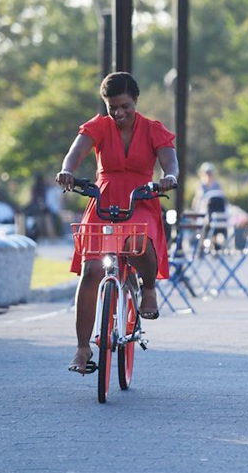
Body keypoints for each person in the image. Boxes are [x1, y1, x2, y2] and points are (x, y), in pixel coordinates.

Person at [55, 72, 178, 374]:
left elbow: (170, 161)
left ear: (136, 100)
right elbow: (75, 154)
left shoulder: (153, 129)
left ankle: (148, 287)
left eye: (125, 106)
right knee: (92, 269)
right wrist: (67, 171)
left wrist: (169, 178)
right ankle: (83, 349)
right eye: (113, 107)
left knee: (138, 242)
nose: (119, 113)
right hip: (104, 198)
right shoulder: (98, 126)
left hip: (140, 199)